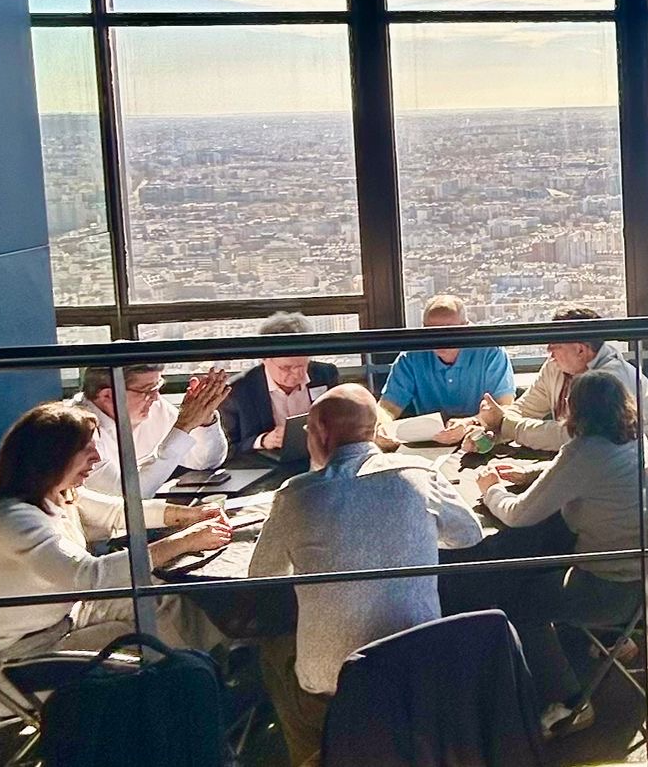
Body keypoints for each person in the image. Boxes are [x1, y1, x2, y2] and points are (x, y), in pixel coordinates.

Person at [252, 385, 483, 767]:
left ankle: (314, 755)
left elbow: (263, 576)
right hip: (417, 672)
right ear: (375, 430)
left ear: (321, 433)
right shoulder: (418, 475)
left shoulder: (295, 496)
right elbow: (468, 534)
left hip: (335, 686)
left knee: (272, 652)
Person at [0, 403, 230, 716]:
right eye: (87, 449)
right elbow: (90, 577)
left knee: (162, 598)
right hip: (21, 662)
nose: (98, 458)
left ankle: (209, 677)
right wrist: (184, 542)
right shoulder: (14, 521)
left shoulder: (55, 494)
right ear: (52, 456)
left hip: (63, 621)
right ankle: (194, 703)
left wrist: (188, 516)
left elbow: (118, 513)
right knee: (151, 642)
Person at [473, 370, 648, 738]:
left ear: (576, 412)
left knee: (520, 601)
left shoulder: (584, 452)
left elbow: (519, 515)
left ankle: (571, 702)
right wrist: (533, 475)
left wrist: (491, 488)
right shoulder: (635, 439)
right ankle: (612, 641)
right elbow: (584, 474)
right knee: (558, 552)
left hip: (624, 592)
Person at [470, 306, 648, 484]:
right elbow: (525, 409)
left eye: (555, 345)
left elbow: (572, 436)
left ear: (581, 350)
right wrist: (492, 433)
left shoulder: (609, 381)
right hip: (603, 462)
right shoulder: (555, 367)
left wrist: (506, 425)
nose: (548, 351)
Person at [76, 363, 230, 523]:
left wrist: (204, 420)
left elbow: (205, 461)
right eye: (148, 390)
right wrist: (184, 427)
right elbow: (126, 499)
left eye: (158, 387)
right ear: (108, 395)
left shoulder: (154, 406)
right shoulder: (77, 431)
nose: (156, 397)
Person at [378, 295, 517, 436]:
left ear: (466, 328)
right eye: (431, 331)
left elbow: (504, 408)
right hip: (429, 441)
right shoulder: (411, 357)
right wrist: (381, 429)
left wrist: (470, 422)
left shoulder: (490, 351)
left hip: (480, 436)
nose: (440, 338)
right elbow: (388, 407)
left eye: (449, 330)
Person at [221, 314, 342, 455]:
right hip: (270, 468)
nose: (297, 374)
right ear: (264, 359)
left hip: (321, 458)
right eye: (286, 368)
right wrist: (263, 441)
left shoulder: (325, 374)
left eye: (302, 365)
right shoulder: (238, 390)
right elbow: (226, 449)